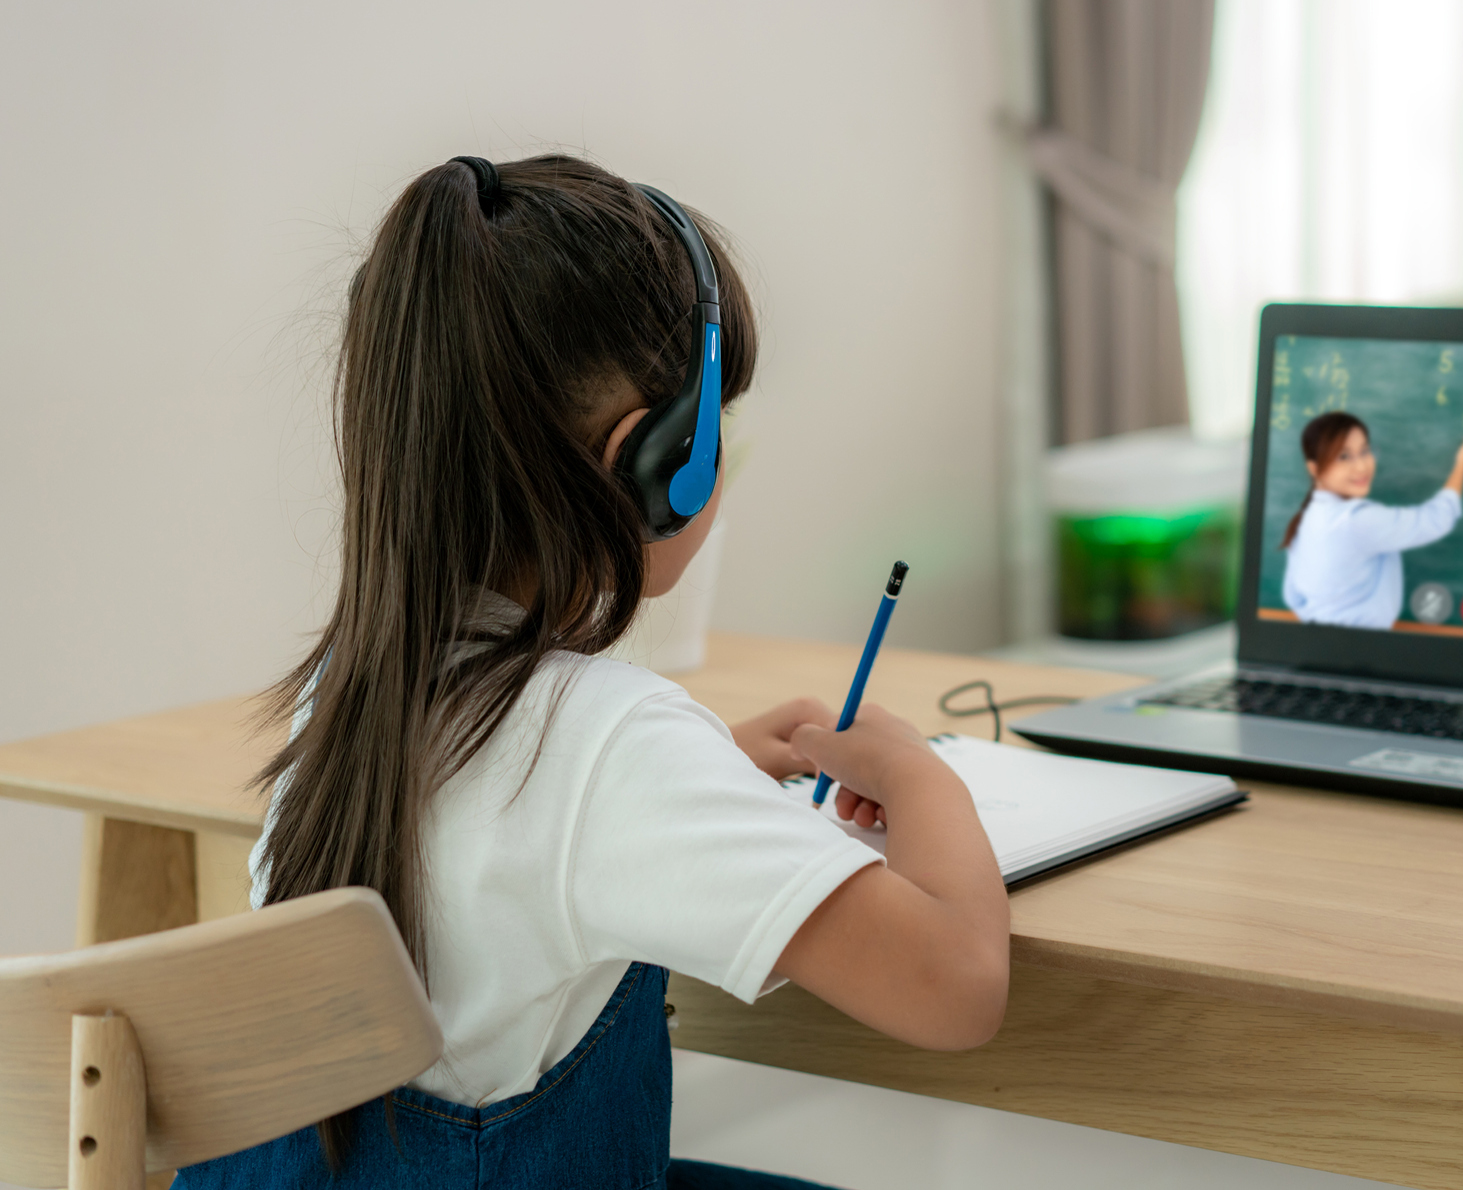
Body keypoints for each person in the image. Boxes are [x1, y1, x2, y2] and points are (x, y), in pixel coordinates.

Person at [173, 157, 1008, 1190]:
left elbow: (537, 823)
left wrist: (702, 765)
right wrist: (927, 778)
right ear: (658, 462)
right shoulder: (611, 745)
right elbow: (957, 986)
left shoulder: (355, 683)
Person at [1280, 411, 1463, 629]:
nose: (1361, 466)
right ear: (1314, 469)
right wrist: (1462, 464)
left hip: (1316, 642)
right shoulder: (1356, 520)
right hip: (1357, 650)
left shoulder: (1306, 518)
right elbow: (1437, 519)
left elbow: (1293, 597)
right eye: (1344, 456)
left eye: (1365, 451)